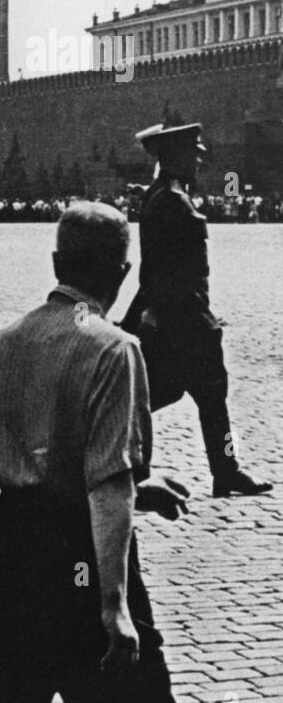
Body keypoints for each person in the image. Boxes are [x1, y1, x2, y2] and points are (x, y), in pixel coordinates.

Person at [0, 203, 185, 703]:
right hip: (80, 559)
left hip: (10, 554)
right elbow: (106, 485)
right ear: (123, 273)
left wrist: (133, 492)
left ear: (58, 264)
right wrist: (114, 605)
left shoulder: (12, 337)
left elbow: (24, 452)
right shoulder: (115, 348)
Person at [121, 122, 270, 497]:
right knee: (168, 396)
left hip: (174, 318)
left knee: (196, 396)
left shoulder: (163, 195)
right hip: (185, 322)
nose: (200, 161)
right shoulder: (172, 200)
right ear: (175, 156)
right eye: (194, 154)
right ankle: (122, 459)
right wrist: (200, 319)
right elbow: (170, 271)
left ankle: (225, 471)